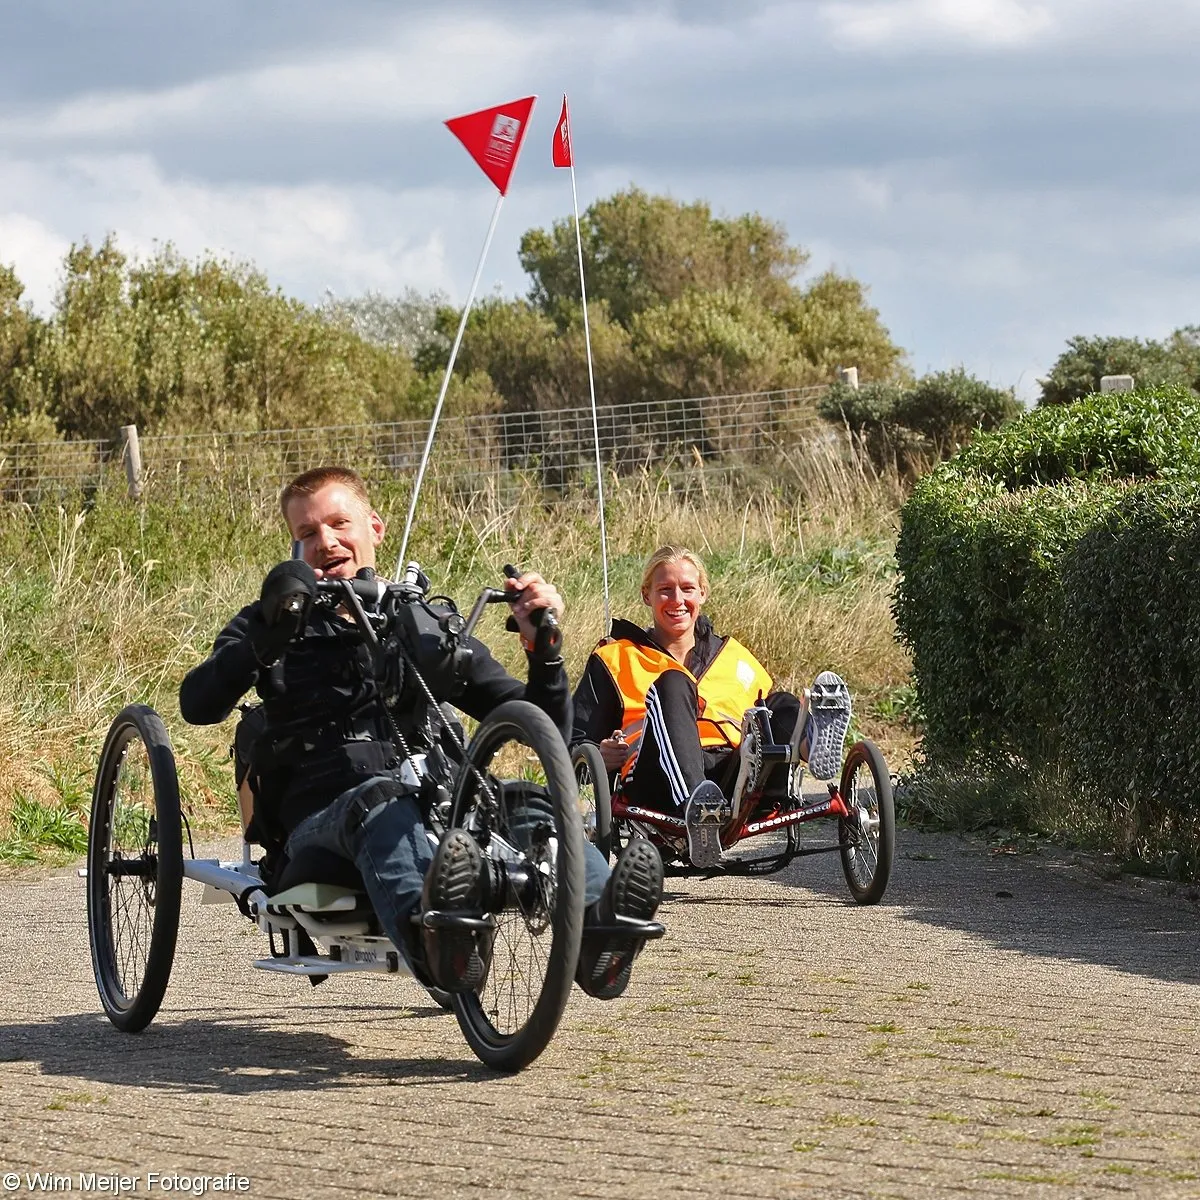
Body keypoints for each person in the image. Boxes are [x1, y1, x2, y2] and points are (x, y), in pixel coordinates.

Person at [180, 466, 663, 1001]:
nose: (327, 542)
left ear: (376, 529)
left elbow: (538, 727)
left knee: (530, 802)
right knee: (382, 801)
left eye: (340, 523)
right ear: (293, 548)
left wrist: (544, 652)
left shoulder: (418, 622)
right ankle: (442, 948)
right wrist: (266, 639)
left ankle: (602, 935)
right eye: (308, 534)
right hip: (320, 829)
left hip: (440, 808)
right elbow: (197, 704)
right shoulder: (266, 624)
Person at [571, 544, 852, 869]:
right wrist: (599, 755)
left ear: (703, 593)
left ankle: (811, 743)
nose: (677, 600)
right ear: (646, 595)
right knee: (673, 683)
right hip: (657, 783)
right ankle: (697, 807)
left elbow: (764, 722)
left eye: (687, 589)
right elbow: (571, 745)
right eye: (665, 590)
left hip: (734, 777)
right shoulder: (616, 658)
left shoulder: (734, 656)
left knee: (778, 703)